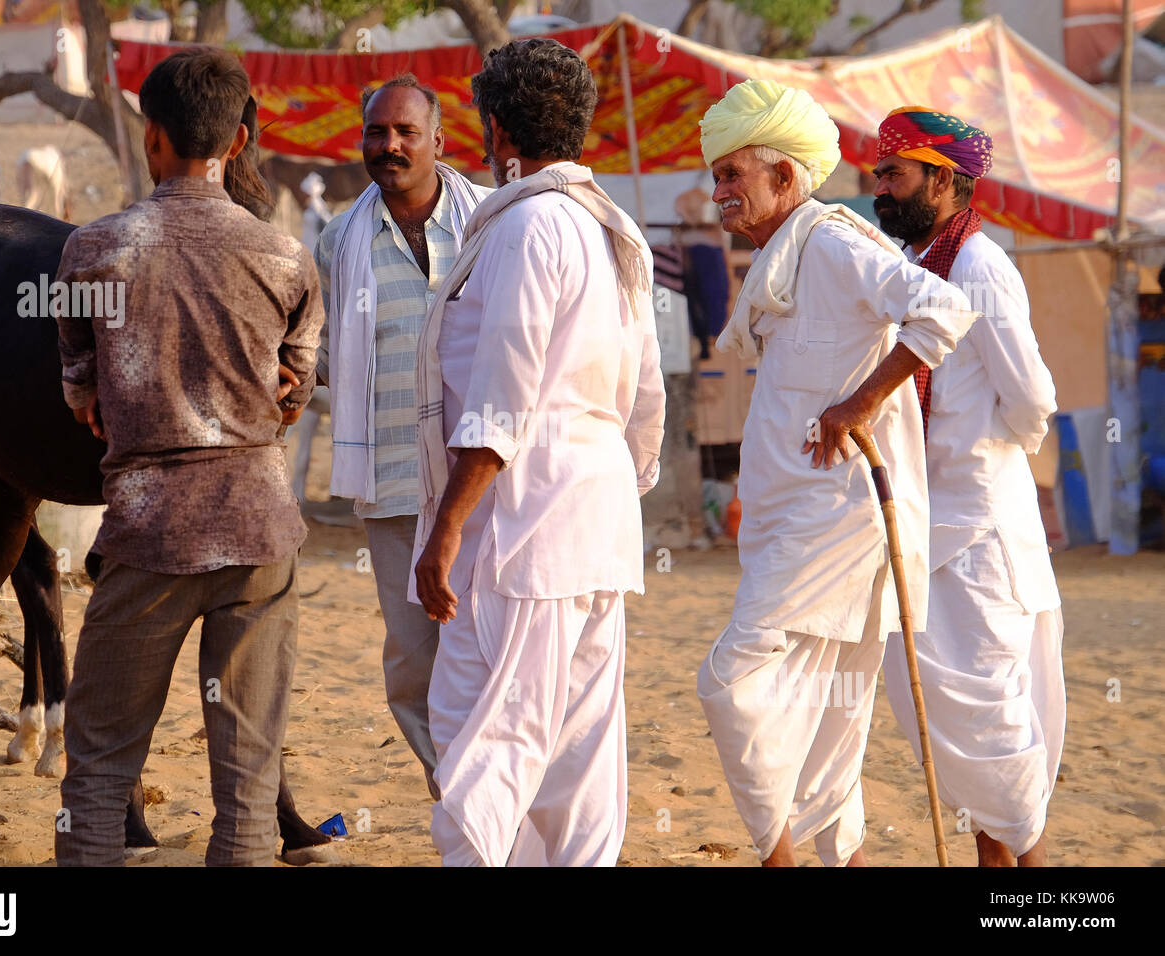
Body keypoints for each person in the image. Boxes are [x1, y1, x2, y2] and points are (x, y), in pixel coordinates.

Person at [693, 78, 977, 867]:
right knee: (828, 715)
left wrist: (858, 404)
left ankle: (778, 857)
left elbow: (943, 311)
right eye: (716, 176)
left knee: (729, 683)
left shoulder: (831, 243)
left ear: (785, 177)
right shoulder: (784, 260)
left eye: (732, 175)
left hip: (838, 518)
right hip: (795, 517)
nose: (718, 193)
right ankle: (838, 860)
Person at [54, 49, 323, 867]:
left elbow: (82, 397)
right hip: (260, 531)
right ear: (240, 140)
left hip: (147, 536)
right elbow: (292, 393)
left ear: (152, 136)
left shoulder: (93, 252)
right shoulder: (286, 259)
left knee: (99, 769)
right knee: (247, 780)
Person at [412, 37, 665, 867]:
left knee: (486, 729)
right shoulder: (611, 225)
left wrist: (449, 528)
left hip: (528, 519)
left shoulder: (531, 225)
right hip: (596, 513)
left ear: (495, 129)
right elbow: (647, 399)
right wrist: (614, 493)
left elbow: (500, 396)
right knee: (577, 749)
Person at [870, 107, 1064, 867]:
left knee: (991, 715)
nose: (879, 186)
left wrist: (987, 462)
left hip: (981, 528)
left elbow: (1032, 399)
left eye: (894, 173)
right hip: (926, 525)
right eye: (879, 172)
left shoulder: (980, 266)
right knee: (954, 715)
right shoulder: (916, 264)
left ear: (943, 180)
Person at [314, 74, 489, 799]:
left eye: (404, 132)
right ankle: (453, 791)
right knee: (413, 660)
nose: (388, 145)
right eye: (376, 133)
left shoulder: (489, 223)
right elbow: (333, 354)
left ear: (439, 141)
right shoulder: (338, 243)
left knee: (483, 647)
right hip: (389, 480)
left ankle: (492, 794)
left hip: (482, 475)